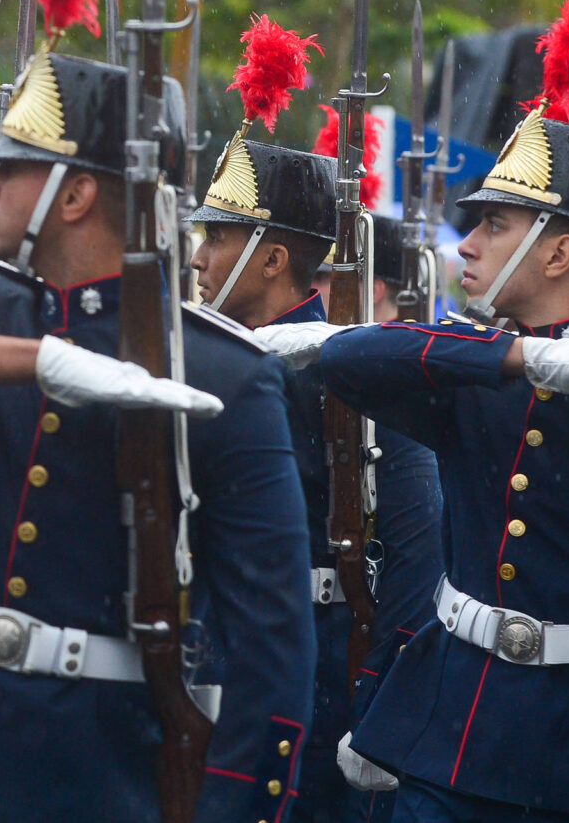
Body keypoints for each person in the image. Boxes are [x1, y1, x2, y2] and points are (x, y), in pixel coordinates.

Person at [0, 42, 316, 822]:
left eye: (13, 169)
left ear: (75, 195)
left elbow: (273, 654)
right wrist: (34, 359)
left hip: (91, 771)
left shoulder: (224, 374)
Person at [260, 101, 569, 822]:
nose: (466, 244)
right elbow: (348, 356)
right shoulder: (478, 374)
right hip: (454, 740)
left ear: (559, 254)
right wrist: (522, 355)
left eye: (495, 225)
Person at [190, 135, 444, 823]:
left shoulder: (352, 372)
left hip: (325, 672)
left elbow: (417, 559)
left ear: (273, 258)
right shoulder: (200, 358)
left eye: (217, 238)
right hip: (207, 650)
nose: (197, 258)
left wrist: (374, 709)